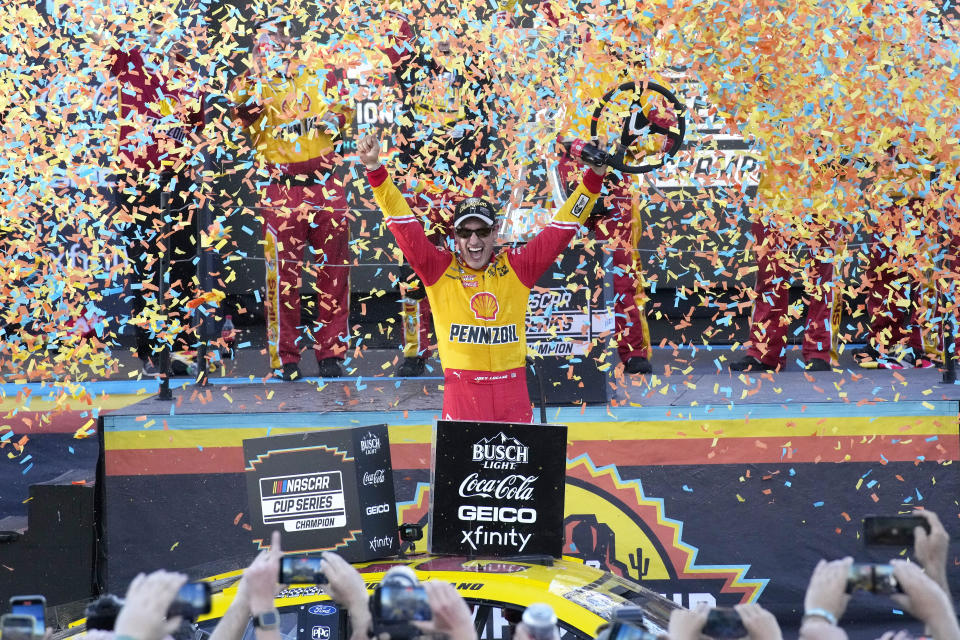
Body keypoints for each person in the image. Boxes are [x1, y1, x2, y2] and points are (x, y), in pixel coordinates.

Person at [356, 132, 607, 423]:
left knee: (520, 471)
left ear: (496, 233)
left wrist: (594, 178)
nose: (473, 241)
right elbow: (403, 223)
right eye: (464, 232)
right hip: (462, 395)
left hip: (513, 393)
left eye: (482, 232)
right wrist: (375, 170)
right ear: (454, 237)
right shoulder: (438, 269)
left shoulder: (518, 267)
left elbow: (564, 226)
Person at [230, 18, 353, 381]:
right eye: (270, 36)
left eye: (284, 33)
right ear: (257, 45)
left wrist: (333, 117)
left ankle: (331, 353)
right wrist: (262, 74)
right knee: (283, 278)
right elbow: (244, 111)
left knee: (335, 272)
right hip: (281, 188)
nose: (279, 41)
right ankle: (287, 358)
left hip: (325, 184)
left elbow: (343, 113)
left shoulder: (321, 73)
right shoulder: (251, 82)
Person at [377, 10, 495, 377]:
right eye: (438, 29)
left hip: (465, 187)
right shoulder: (411, 65)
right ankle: (415, 352)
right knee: (413, 270)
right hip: (421, 188)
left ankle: (472, 345)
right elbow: (390, 29)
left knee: (473, 265)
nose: (446, 39)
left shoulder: (477, 67)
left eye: (453, 30)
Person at [92, 11, 205, 377]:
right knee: (145, 265)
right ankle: (150, 351)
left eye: (168, 27)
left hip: (177, 180)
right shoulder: (131, 60)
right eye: (155, 26)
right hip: (136, 180)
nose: (162, 34)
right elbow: (97, 39)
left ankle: (182, 350)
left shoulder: (191, 74)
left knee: (183, 265)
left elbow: (197, 132)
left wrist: (188, 159)